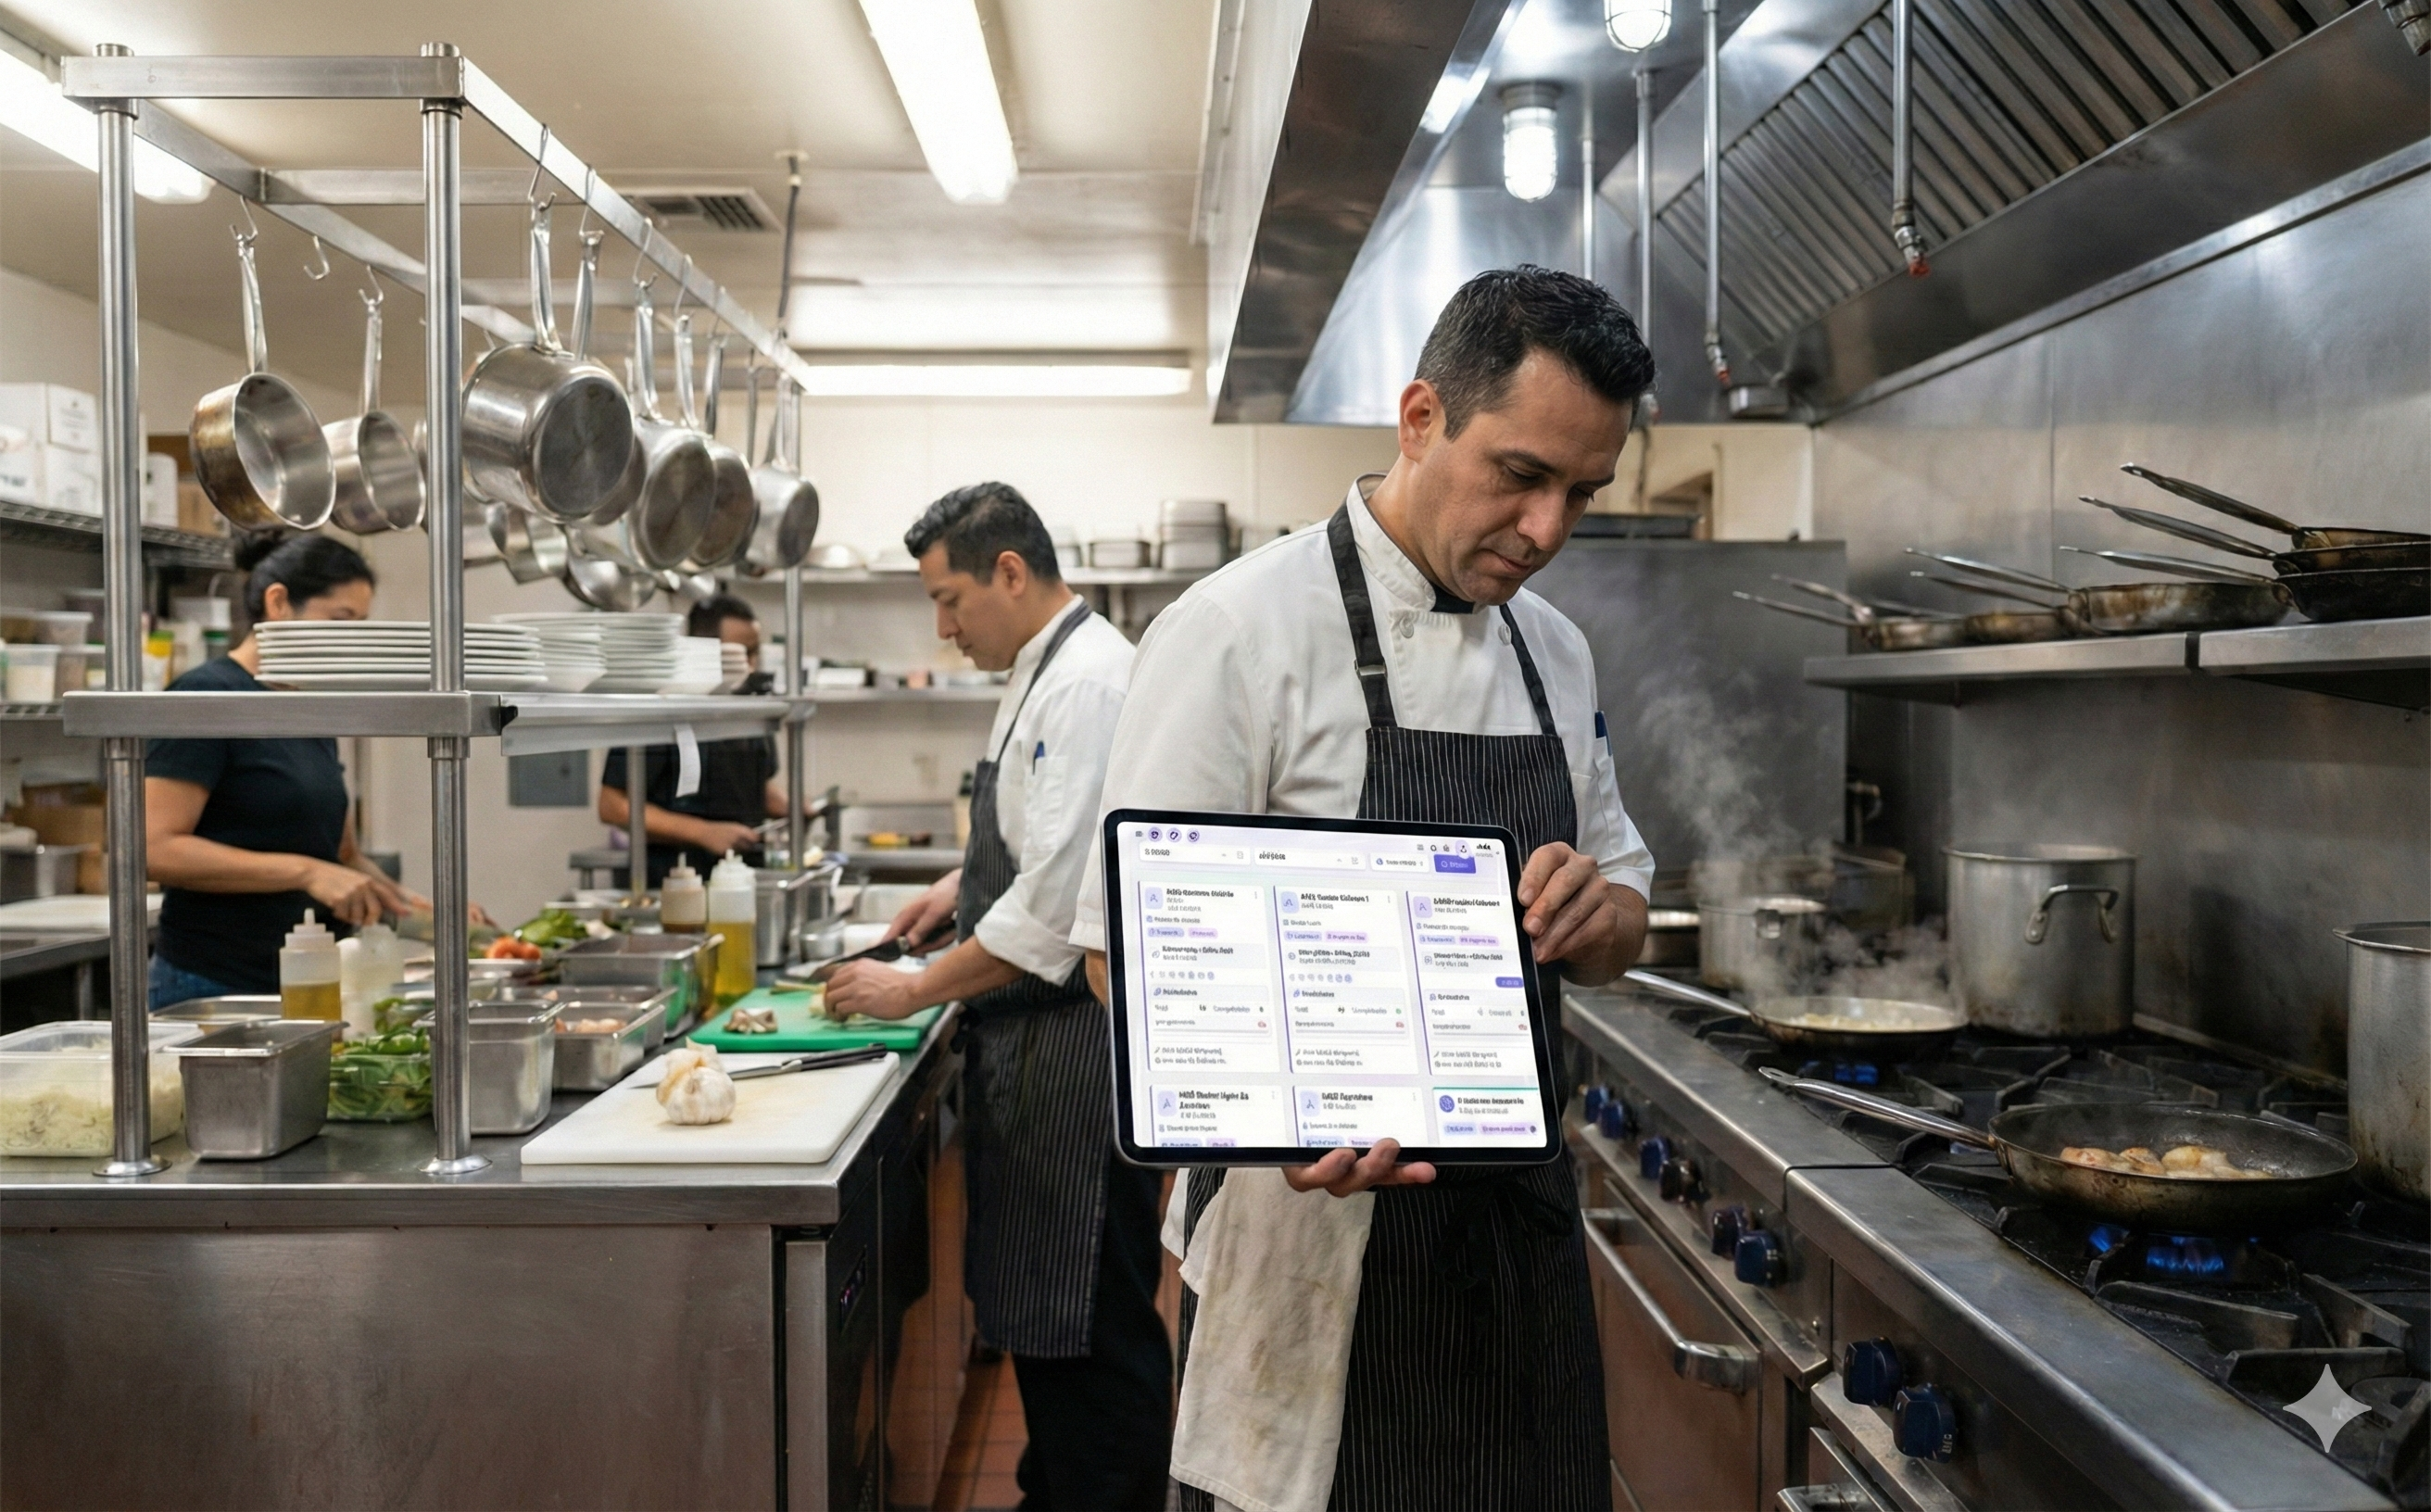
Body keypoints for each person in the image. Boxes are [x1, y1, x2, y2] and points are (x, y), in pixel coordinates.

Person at [1071, 266, 1656, 1512]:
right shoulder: (1240, 631)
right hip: (1313, 1251)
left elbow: (1623, 908)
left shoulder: (1557, 652)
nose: (1548, 528)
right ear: (1420, 418)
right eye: (1520, 474)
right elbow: (1124, 954)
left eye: (1582, 493)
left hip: (1515, 1240)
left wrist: (1599, 915)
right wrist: (1273, 1126)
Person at [823, 483, 1167, 1510]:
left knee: (1092, 1327)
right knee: (1049, 1324)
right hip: (1031, 1056)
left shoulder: (1090, 685)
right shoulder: (1038, 670)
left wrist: (914, 988)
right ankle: (1051, 1490)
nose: (941, 625)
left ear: (1008, 572)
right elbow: (1034, 844)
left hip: (1074, 1054)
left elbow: (1062, 907)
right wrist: (950, 892)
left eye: (946, 599)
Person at [145, 532, 422, 1006]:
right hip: (215, 984)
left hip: (311, 981)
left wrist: (419, 909)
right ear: (278, 603)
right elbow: (152, 848)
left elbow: (342, 853)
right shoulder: (206, 697)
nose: (352, 640)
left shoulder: (305, 705)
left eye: (360, 624)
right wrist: (304, 873)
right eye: (341, 620)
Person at [597, 594, 791, 887]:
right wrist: (704, 832)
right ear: (704, 648)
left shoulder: (752, 709)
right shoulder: (662, 708)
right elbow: (613, 806)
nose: (750, 666)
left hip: (741, 879)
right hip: (671, 880)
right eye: (739, 654)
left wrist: (794, 808)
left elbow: (754, 786)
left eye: (754, 653)